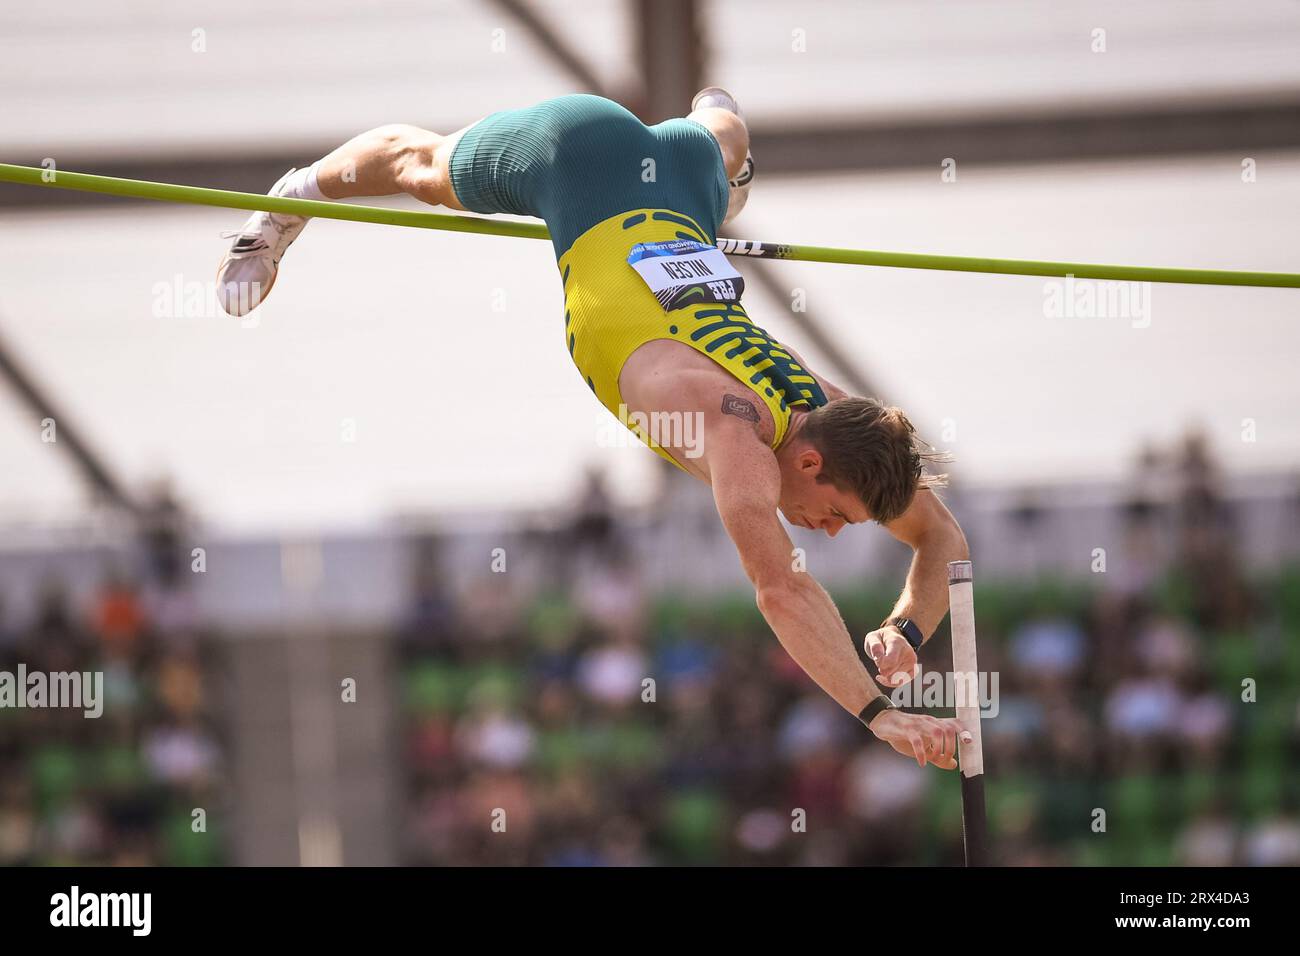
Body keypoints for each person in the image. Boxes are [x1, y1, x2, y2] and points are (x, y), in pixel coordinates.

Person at [215, 90, 972, 768]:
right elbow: (781, 590)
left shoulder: (823, 404)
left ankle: (718, 127)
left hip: (680, 189)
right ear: (807, 463)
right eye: (837, 516)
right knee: (422, 169)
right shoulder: (736, 431)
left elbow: (940, 535)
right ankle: (291, 200)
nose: (833, 534)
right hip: (575, 157)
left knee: (723, 136)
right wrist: (880, 717)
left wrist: (905, 634)